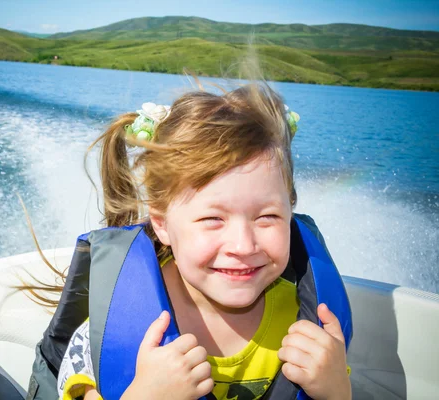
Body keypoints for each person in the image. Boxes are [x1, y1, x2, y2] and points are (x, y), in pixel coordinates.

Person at [25, 80, 351, 400]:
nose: (243, 245)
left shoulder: (308, 325)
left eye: (267, 217)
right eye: (213, 219)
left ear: (290, 208)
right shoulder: (115, 327)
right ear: (163, 223)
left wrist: (336, 391)